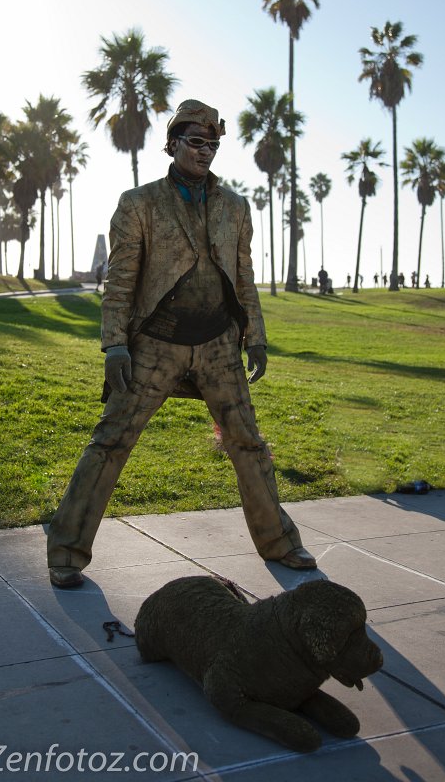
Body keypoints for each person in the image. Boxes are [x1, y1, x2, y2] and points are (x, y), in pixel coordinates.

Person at [47, 99, 316, 588]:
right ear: (171, 145)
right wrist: (115, 346)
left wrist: (255, 336)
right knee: (110, 441)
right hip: (154, 344)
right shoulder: (139, 203)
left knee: (249, 444)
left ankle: (280, 542)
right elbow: (121, 281)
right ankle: (65, 552)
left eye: (213, 143)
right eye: (196, 141)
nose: (206, 150)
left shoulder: (235, 207)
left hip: (219, 345)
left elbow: (244, 276)